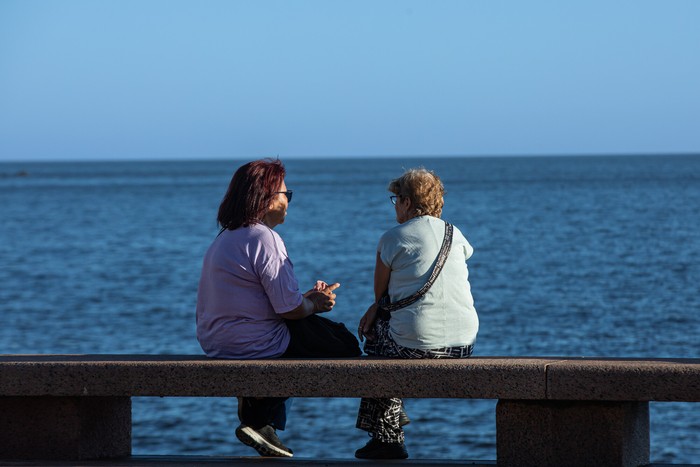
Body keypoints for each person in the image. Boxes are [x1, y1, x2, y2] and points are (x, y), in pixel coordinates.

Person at [196, 158, 360, 458]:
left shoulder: (224, 239)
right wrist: (316, 304)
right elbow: (288, 309)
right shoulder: (264, 238)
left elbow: (267, 300)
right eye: (286, 194)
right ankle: (259, 418)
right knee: (345, 345)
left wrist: (306, 299)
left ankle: (260, 416)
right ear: (268, 198)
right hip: (254, 341)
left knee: (307, 336)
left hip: (216, 343)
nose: (288, 201)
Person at [355, 168, 479, 459]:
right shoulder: (455, 233)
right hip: (463, 345)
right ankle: (388, 432)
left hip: (416, 346)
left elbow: (380, 295)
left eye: (396, 199)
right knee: (390, 331)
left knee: (375, 340)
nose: (395, 205)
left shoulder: (393, 238)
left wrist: (374, 311)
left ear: (408, 202)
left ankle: (387, 437)